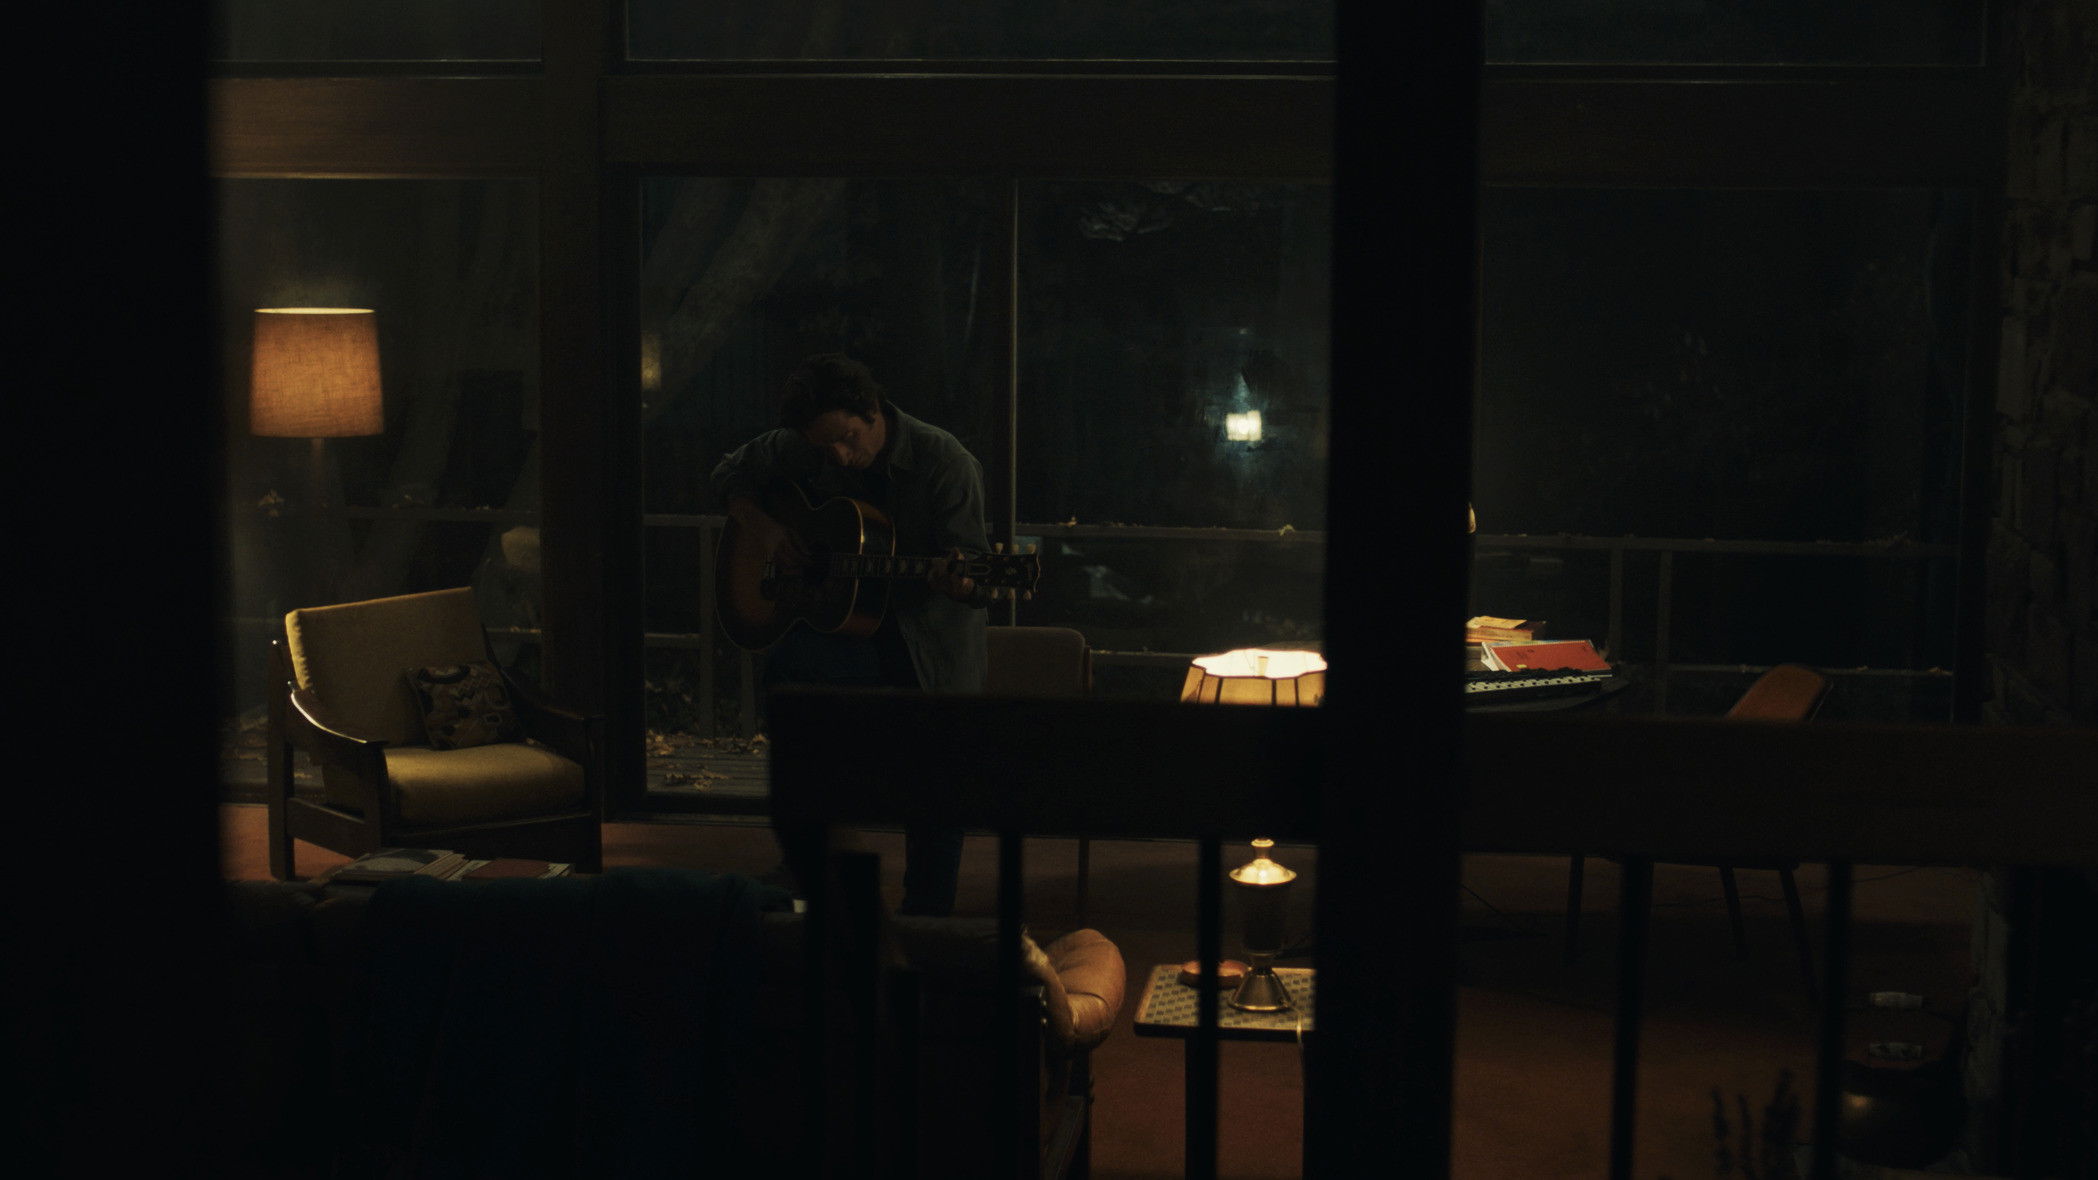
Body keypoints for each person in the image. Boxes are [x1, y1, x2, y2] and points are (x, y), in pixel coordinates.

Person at [710, 353, 991, 915]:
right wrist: (766, 530)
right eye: (824, 447)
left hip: (925, 648)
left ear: (871, 410)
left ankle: (926, 915)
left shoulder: (945, 462)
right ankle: (809, 859)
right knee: (789, 680)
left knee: (938, 773)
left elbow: (979, 578)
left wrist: (959, 578)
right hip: (846, 632)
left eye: (846, 439)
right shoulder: (808, 445)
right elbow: (727, 473)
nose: (838, 456)